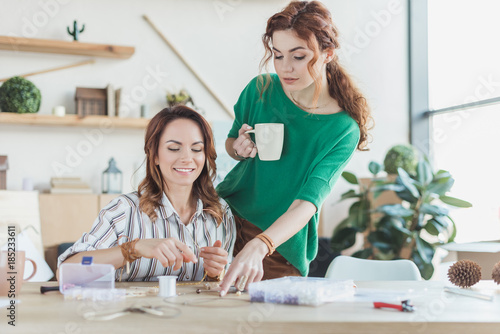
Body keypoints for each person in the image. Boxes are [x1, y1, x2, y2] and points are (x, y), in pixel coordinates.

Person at [217, 1, 372, 296]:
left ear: (327, 54)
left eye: (299, 56)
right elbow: (231, 146)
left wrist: (261, 244)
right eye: (277, 55)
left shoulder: (342, 129)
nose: (285, 67)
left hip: (281, 245)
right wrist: (239, 147)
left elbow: (307, 203)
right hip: (225, 222)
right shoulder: (260, 89)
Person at [58, 105, 236, 282]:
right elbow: (66, 272)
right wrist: (133, 248)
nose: (187, 158)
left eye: (197, 149)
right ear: (155, 155)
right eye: (174, 148)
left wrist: (216, 274)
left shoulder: (221, 214)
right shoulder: (123, 211)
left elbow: (229, 284)